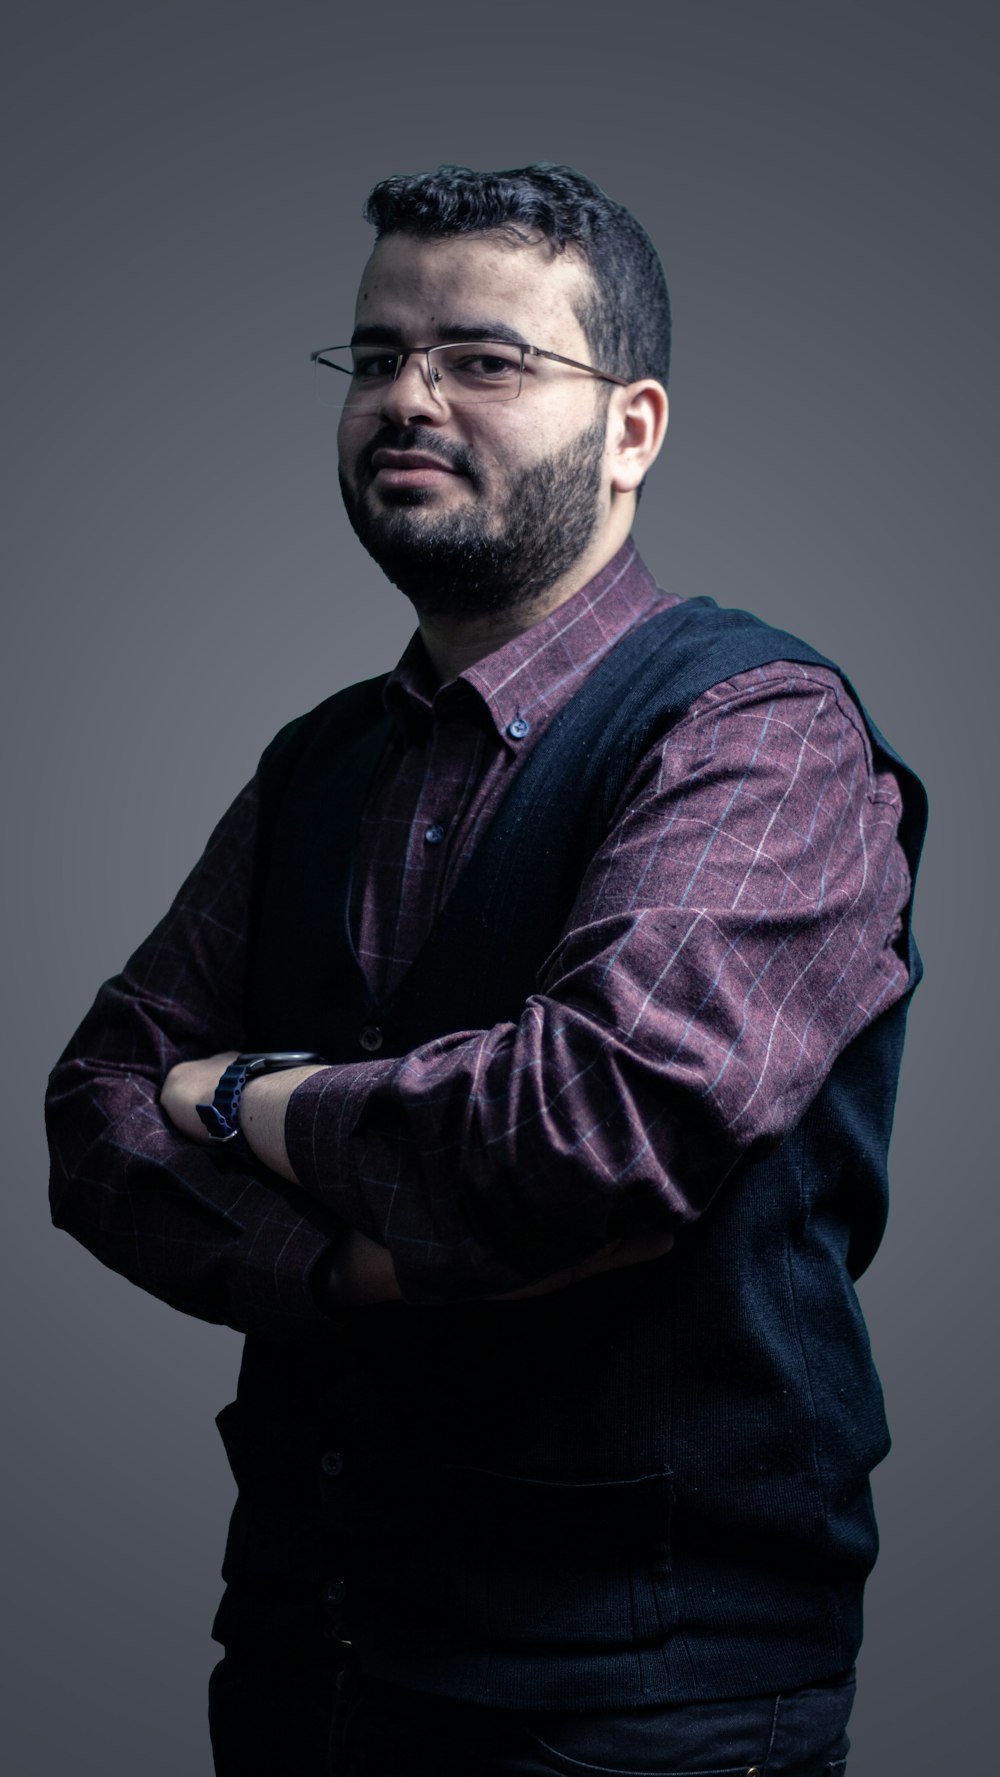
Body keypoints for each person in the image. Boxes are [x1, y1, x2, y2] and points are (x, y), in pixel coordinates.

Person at [46, 164, 926, 1776]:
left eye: (484, 359)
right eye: (377, 355)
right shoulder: (317, 762)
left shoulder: (757, 735)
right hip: (310, 1652)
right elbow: (95, 1114)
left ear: (635, 429)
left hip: (638, 1700)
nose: (409, 398)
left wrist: (244, 1092)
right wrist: (357, 1269)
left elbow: (591, 1127)